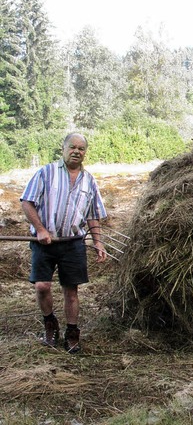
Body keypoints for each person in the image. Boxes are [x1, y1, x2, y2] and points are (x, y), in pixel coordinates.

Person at [21, 133, 107, 353]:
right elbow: (27, 202)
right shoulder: (45, 173)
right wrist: (40, 229)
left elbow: (93, 215)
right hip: (44, 243)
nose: (76, 151)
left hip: (73, 242)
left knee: (71, 291)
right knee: (42, 286)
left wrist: (98, 242)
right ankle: (50, 324)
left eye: (81, 148)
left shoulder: (89, 180)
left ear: (85, 152)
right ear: (63, 148)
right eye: (72, 147)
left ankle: (72, 333)